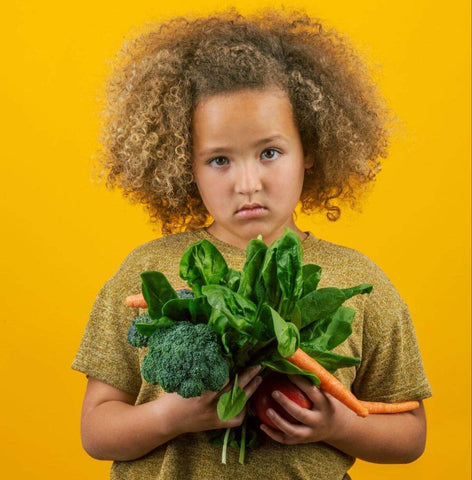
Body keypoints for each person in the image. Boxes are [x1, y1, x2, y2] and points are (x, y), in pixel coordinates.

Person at [72, 7, 432, 480]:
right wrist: (171, 416)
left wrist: (336, 424)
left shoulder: (359, 281)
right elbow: (96, 431)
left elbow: (411, 436)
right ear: (185, 167)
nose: (248, 183)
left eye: (269, 152)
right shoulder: (148, 272)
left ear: (311, 151)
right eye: (219, 159)